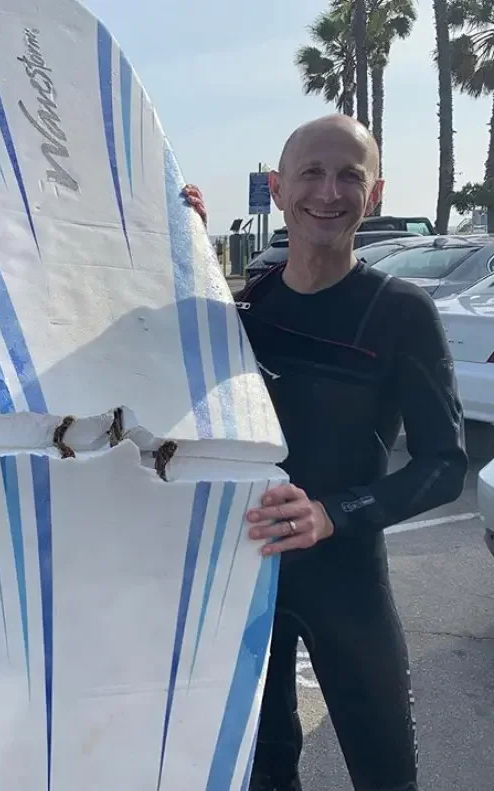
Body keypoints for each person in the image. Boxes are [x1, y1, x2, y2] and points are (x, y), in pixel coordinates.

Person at [184, 114, 467, 791]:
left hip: (349, 585)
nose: (329, 191)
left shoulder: (400, 311)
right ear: (279, 188)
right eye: (311, 172)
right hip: (255, 581)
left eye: (350, 176)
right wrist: (182, 237)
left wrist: (334, 512)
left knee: (387, 774)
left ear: (374, 195)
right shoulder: (249, 308)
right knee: (261, 772)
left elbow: (445, 463)